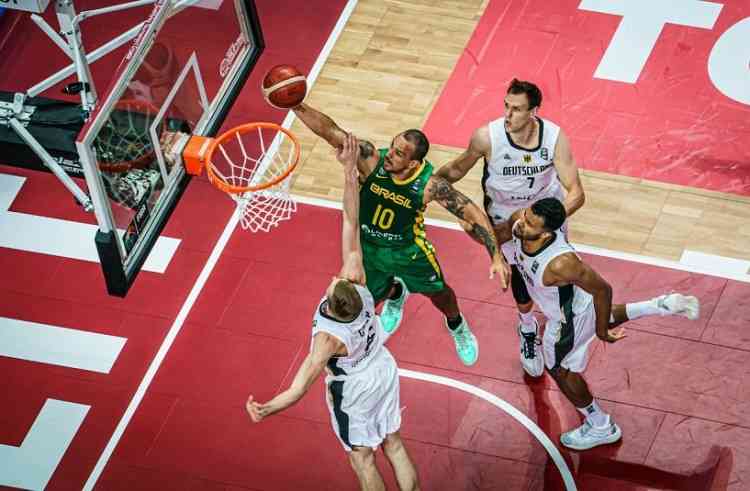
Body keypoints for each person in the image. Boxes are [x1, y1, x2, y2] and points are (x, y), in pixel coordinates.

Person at [246, 134, 420, 491]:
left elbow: (297, 389)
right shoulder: (357, 281)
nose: (332, 277)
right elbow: (350, 222)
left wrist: (266, 410)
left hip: (356, 388)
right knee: (394, 443)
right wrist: (348, 174)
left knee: (362, 458)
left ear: (332, 298)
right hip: (383, 367)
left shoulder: (327, 339)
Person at [290, 102, 510, 366]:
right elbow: (331, 132)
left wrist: (496, 256)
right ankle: (397, 295)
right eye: (392, 147)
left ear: (414, 162)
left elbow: (473, 213)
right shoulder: (371, 160)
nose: (389, 155)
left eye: (398, 153)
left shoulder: (430, 186)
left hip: (408, 251)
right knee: (369, 297)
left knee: (440, 294)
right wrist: (295, 105)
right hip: (368, 249)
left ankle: (456, 325)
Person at [506, 197, 700, 450]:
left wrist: (601, 333)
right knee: (598, 316)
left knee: (558, 368)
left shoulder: (561, 264)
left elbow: (603, 290)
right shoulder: (520, 223)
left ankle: (600, 425)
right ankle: (662, 305)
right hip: (577, 303)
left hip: (567, 319)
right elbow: (503, 233)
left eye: (530, 224)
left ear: (546, 233)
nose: (522, 224)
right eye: (525, 217)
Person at [436, 78, 586, 377]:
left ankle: (564, 323)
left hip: (545, 217)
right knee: (520, 276)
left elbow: (577, 193)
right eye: (506, 106)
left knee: (558, 274)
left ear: (534, 111)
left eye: (516, 109)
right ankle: (527, 327)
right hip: (505, 220)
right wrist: (430, 186)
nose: (507, 114)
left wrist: (544, 221)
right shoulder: (487, 137)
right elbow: (454, 170)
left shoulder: (554, 137)